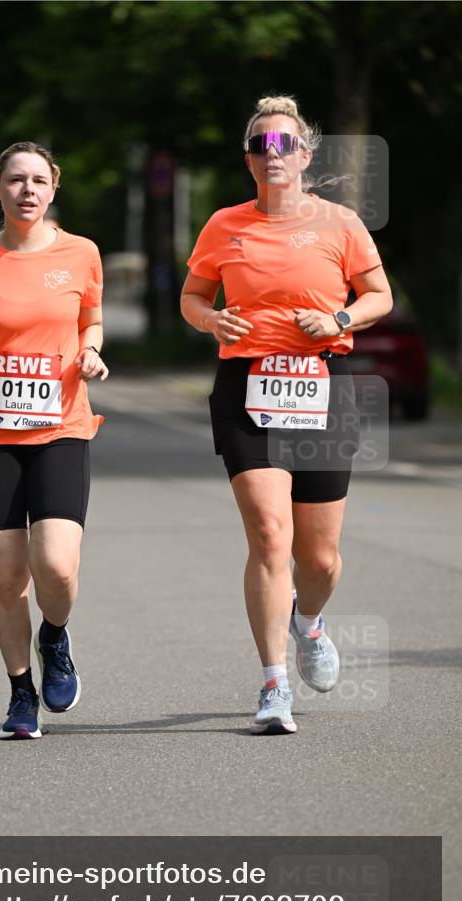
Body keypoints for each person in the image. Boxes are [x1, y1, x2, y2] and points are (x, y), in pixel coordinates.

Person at [181, 95, 392, 734]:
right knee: (271, 536)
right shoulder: (224, 225)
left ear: (304, 154)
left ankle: (309, 623)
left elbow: (379, 294)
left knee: (320, 559)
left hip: (323, 385)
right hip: (249, 388)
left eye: (285, 145)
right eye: (259, 146)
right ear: (248, 159)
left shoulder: (340, 223)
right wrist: (211, 318)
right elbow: (193, 296)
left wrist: (339, 318)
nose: (272, 156)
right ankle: (274, 684)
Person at [0, 140, 108, 740]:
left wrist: (90, 351)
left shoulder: (82, 253)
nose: (27, 190)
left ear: (55, 185)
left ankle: (55, 637)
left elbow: (90, 318)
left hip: (62, 425)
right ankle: (19, 694)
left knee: (57, 568)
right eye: (15, 180)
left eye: (38, 180)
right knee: (7, 577)